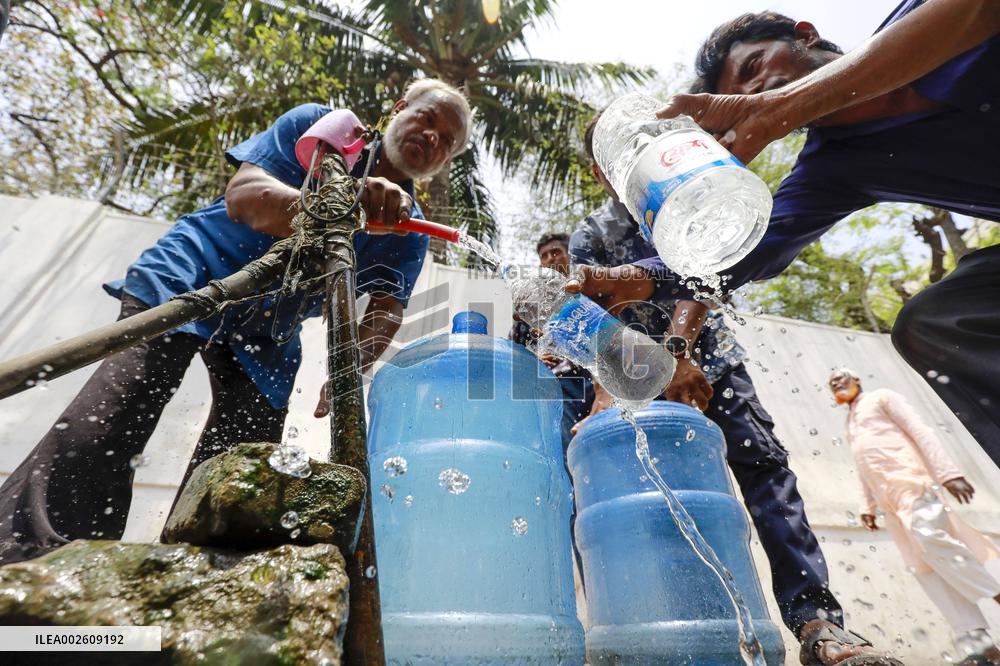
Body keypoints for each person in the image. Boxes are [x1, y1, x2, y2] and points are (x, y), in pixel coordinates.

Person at [0, 78, 472, 566]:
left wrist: (348, 371)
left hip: (270, 329)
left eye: (447, 141)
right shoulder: (324, 132)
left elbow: (386, 308)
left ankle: (196, 573)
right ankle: (36, 558)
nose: (433, 137)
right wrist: (341, 201)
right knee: (128, 400)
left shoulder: (408, 228)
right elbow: (245, 197)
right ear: (398, 108)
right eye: (427, 118)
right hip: (192, 274)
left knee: (244, 465)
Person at [569, 115, 900, 666]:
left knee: (765, 472)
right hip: (633, 381)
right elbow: (594, 314)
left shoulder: (688, 192)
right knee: (653, 502)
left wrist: (680, 352)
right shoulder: (593, 235)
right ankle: (671, 636)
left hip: (711, 362)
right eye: (616, 154)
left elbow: (705, 274)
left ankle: (819, 624)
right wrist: (648, 372)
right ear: (603, 169)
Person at [633, 1, 1000, 468]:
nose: (755, 89)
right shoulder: (836, 165)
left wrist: (779, 108)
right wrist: (640, 275)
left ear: (804, 34)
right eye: (741, 91)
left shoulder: (919, 17)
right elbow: (748, 251)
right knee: (936, 323)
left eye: (754, 65)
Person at [828, 368, 1000, 666]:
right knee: (927, 571)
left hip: (916, 487)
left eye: (843, 377)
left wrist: (949, 474)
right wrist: (867, 506)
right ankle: (985, 651)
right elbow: (863, 466)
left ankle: (997, 593)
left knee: (933, 540)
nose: (837, 382)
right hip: (891, 507)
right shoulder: (850, 422)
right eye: (832, 383)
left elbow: (921, 431)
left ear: (858, 380)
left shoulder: (882, 398)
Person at [509, 232, 594, 448]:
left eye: (556, 252)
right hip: (552, 384)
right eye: (544, 256)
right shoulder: (530, 309)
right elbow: (511, 353)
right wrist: (531, 361)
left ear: (570, 257)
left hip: (594, 381)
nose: (550, 259)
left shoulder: (591, 293)